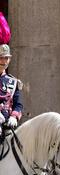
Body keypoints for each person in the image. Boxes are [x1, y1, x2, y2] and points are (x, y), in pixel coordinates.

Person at [0, 12, 22, 141]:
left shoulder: (13, 82)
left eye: (7, 58)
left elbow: (18, 104)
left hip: (8, 128)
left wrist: (14, 116)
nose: (5, 61)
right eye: (2, 58)